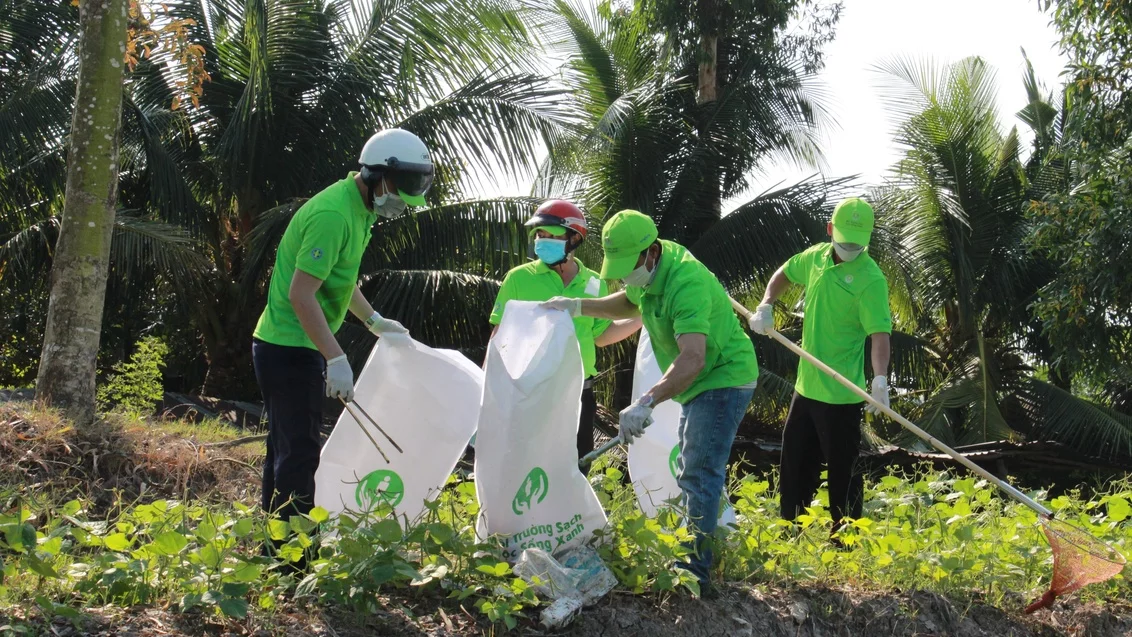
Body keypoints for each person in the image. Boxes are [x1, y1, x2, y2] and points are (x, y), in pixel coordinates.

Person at [541, 210, 759, 596]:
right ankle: (689, 559)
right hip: (699, 381)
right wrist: (577, 306)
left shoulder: (685, 281)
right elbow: (627, 303)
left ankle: (695, 576)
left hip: (723, 378)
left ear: (651, 252)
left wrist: (645, 401)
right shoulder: (648, 271)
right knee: (693, 468)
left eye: (630, 267)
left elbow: (693, 358)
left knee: (698, 472)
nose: (626, 275)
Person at [251, 128, 434, 522]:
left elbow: (339, 278)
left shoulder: (360, 210)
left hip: (300, 346)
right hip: (287, 347)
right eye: (400, 187)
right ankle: (294, 558)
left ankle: (275, 543)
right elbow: (301, 295)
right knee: (299, 453)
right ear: (376, 174)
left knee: (284, 448)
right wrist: (335, 356)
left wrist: (374, 321)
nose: (402, 199)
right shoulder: (334, 215)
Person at [746, 197, 892, 545]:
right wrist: (766, 304)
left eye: (858, 241)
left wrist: (881, 380)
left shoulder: (872, 279)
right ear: (830, 230)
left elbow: (879, 335)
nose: (850, 247)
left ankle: (846, 541)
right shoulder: (814, 258)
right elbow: (783, 273)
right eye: (844, 239)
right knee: (795, 463)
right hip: (806, 386)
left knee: (844, 473)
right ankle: (789, 533)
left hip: (842, 395)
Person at [488, 200, 641, 457]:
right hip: (529, 391)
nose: (541, 239)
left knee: (577, 464)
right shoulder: (518, 278)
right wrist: (487, 391)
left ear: (574, 238)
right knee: (527, 463)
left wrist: (642, 318)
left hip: (579, 392)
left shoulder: (594, 282)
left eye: (550, 234)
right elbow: (499, 336)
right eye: (539, 234)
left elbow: (601, 336)